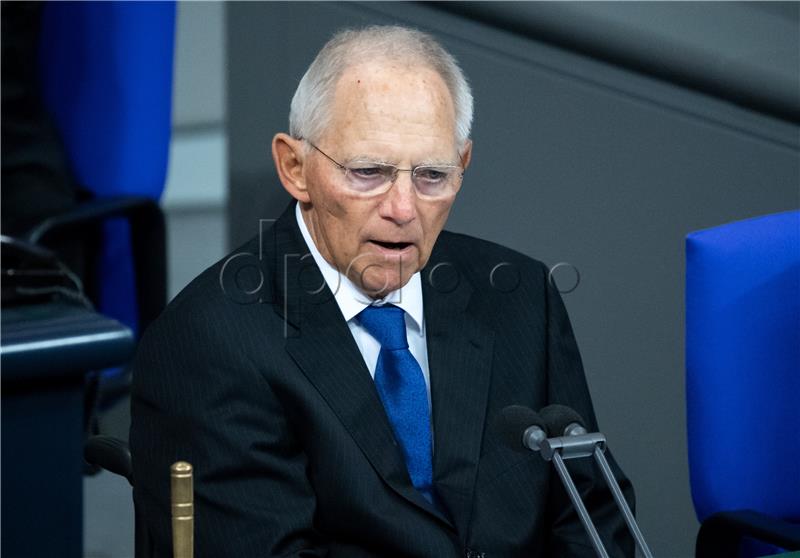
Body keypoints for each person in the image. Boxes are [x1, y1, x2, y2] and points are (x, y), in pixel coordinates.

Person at [131, 25, 635, 557]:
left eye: (432, 175)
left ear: (462, 166)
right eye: (368, 172)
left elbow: (592, 515)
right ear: (295, 168)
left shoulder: (520, 297)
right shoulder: (209, 343)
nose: (403, 209)